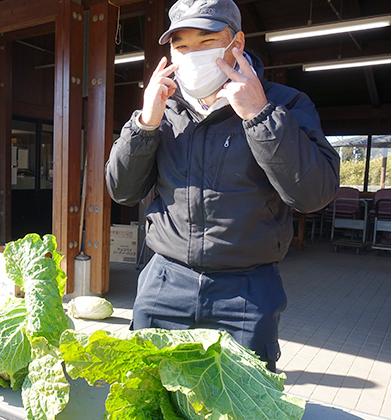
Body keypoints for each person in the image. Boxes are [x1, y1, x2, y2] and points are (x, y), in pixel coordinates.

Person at [105, 0, 340, 371]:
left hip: (246, 292)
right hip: (165, 281)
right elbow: (121, 189)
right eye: (181, 46)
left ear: (237, 43)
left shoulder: (286, 104)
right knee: (151, 398)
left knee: (238, 404)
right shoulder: (162, 108)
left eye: (207, 41)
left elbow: (315, 194)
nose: (192, 55)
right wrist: (145, 123)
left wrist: (259, 116)